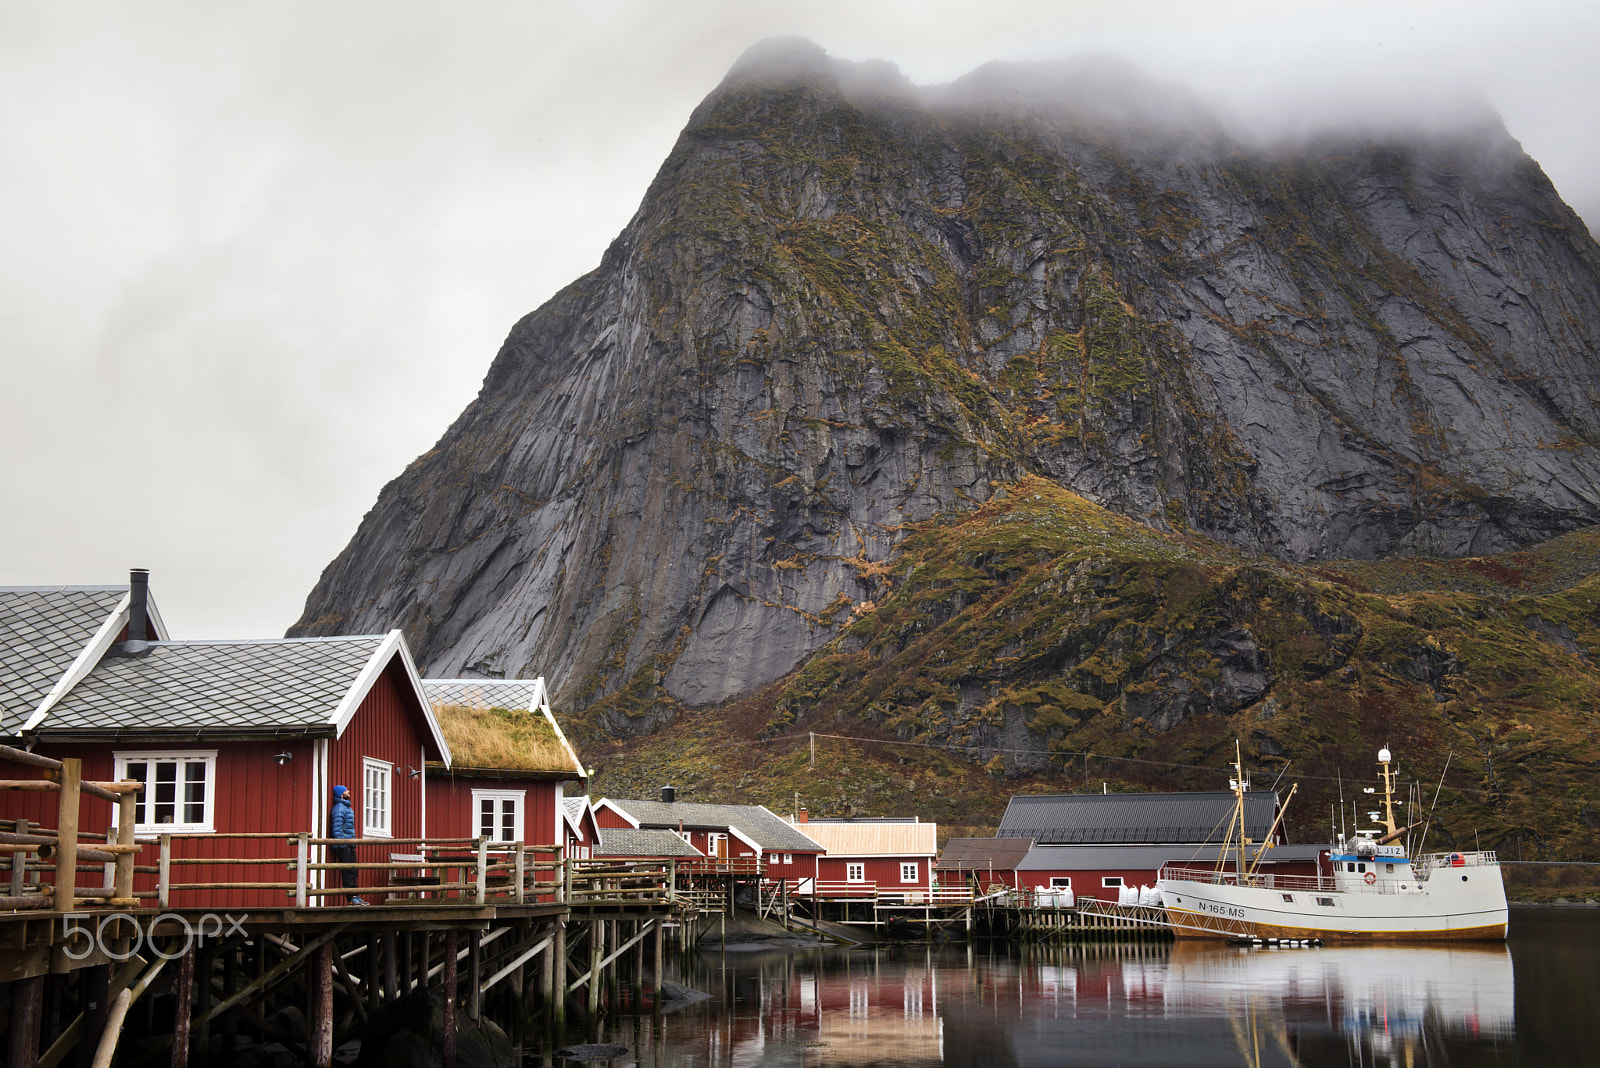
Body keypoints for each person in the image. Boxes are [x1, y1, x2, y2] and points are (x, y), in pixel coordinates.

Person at [331, 785, 367, 905]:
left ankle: (355, 896)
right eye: (346, 791)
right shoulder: (339, 809)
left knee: (353, 871)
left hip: (349, 844)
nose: (348, 792)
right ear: (341, 794)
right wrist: (342, 844)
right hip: (343, 845)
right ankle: (351, 898)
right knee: (347, 871)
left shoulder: (347, 808)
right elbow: (337, 829)